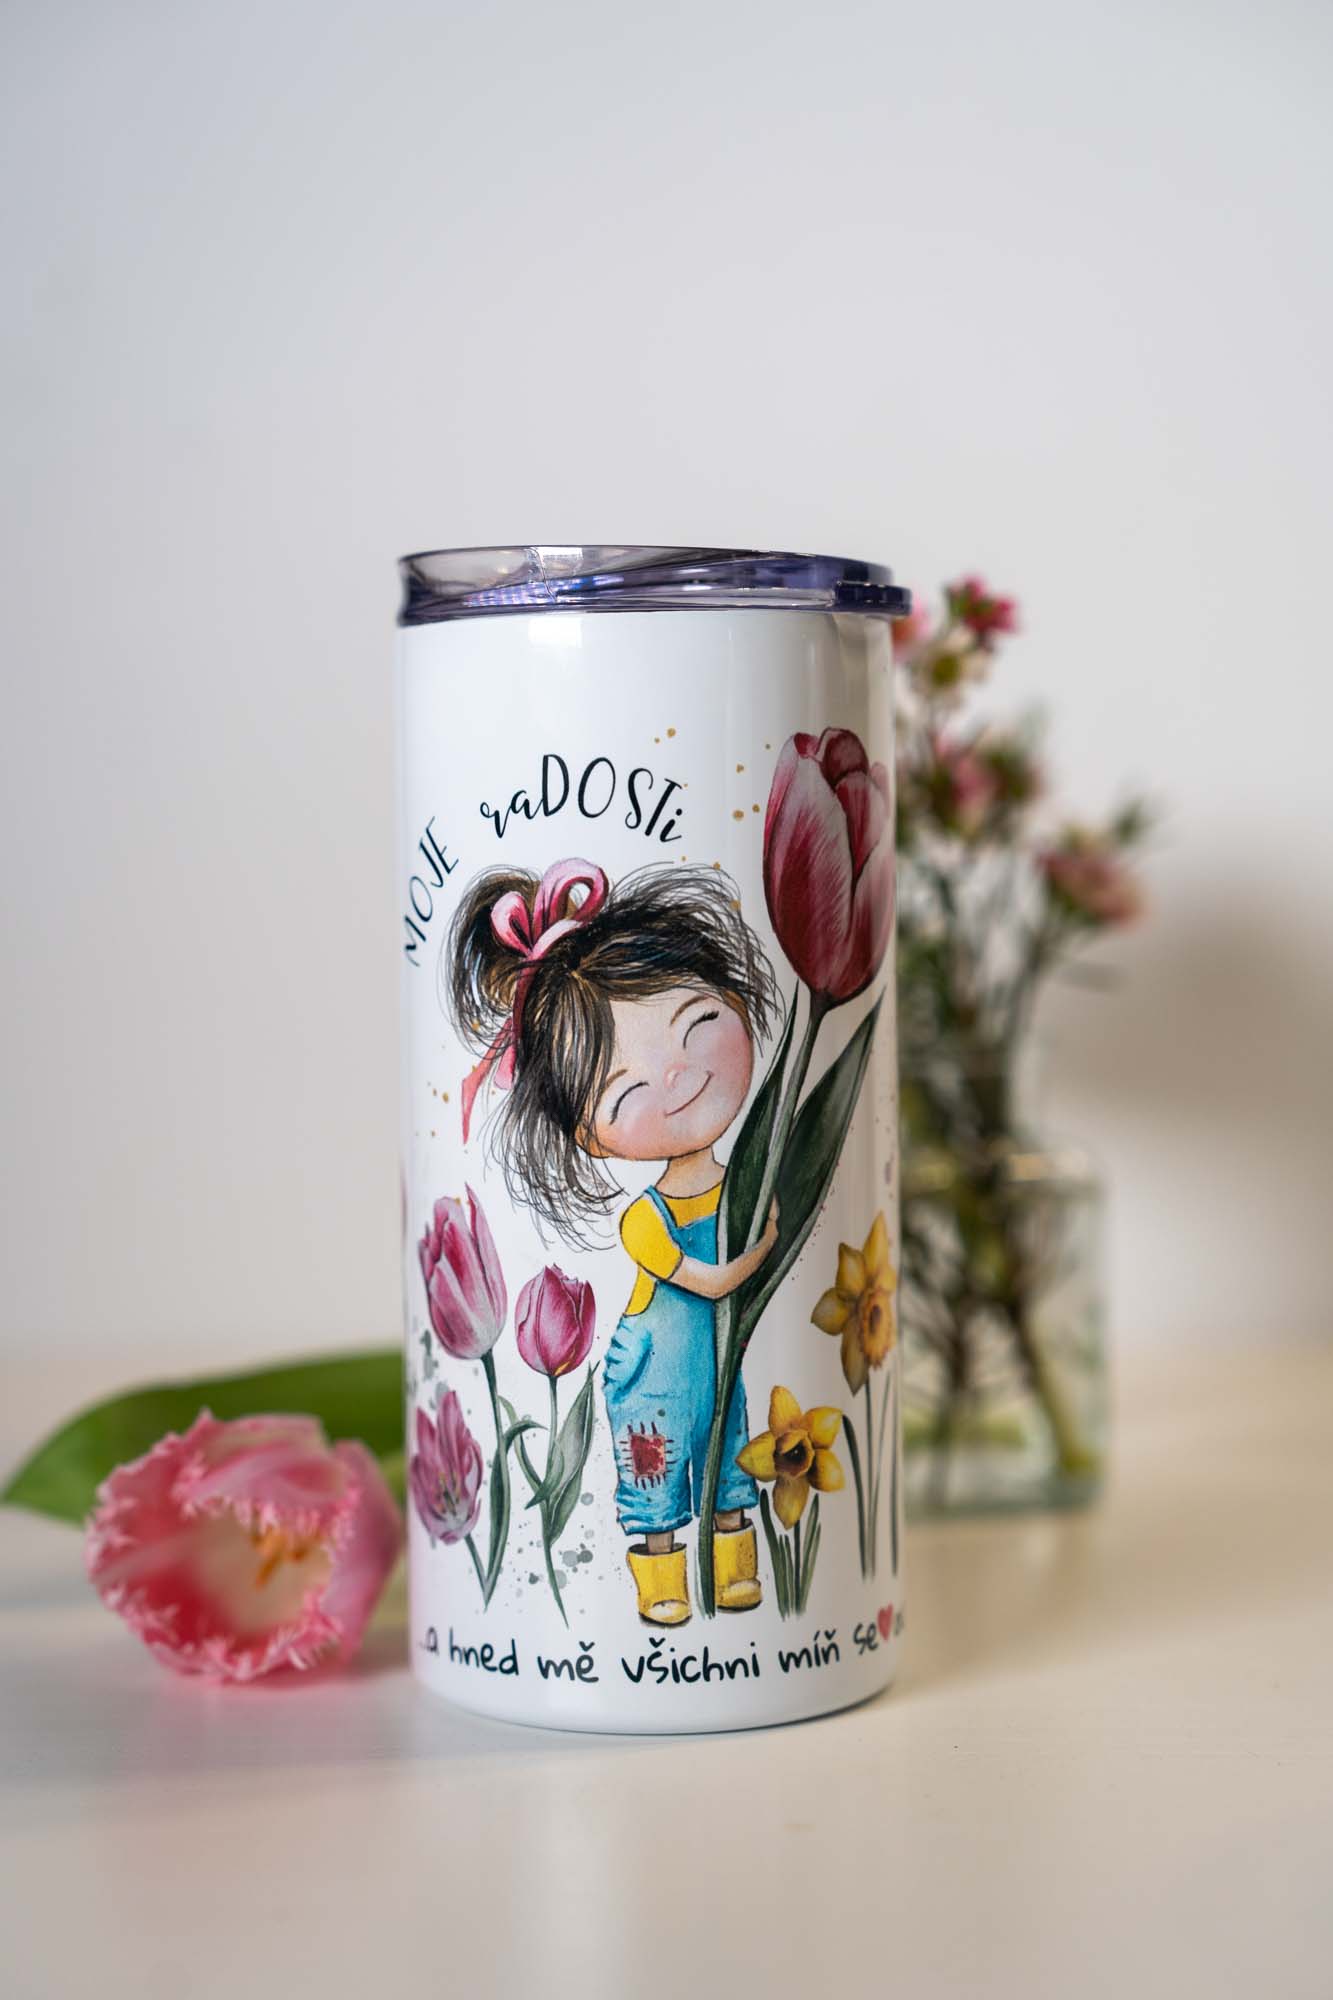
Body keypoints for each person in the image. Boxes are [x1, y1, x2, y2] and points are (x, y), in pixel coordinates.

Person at [448, 857, 781, 1624]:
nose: (675, 1078)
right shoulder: (644, 1220)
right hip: (651, 1374)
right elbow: (709, 1282)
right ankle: (661, 1589)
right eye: (624, 1090)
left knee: (731, 1465)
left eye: (696, 1024)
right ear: (590, 1138)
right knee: (655, 1478)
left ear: (733, 1001)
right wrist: (764, 1247)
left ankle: (735, 1577)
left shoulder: (745, 1181)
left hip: (716, 1360)